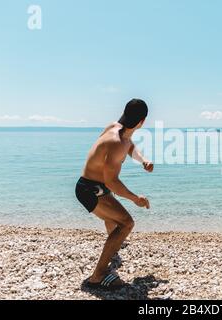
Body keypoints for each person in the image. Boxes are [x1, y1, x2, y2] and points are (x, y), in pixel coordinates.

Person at [75, 98, 153, 289]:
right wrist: (136, 199)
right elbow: (113, 182)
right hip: (91, 190)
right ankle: (98, 276)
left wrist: (143, 160)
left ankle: (113, 247)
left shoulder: (115, 128)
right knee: (126, 223)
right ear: (142, 122)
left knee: (113, 218)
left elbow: (129, 145)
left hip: (94, 186)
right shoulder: (116, 143)